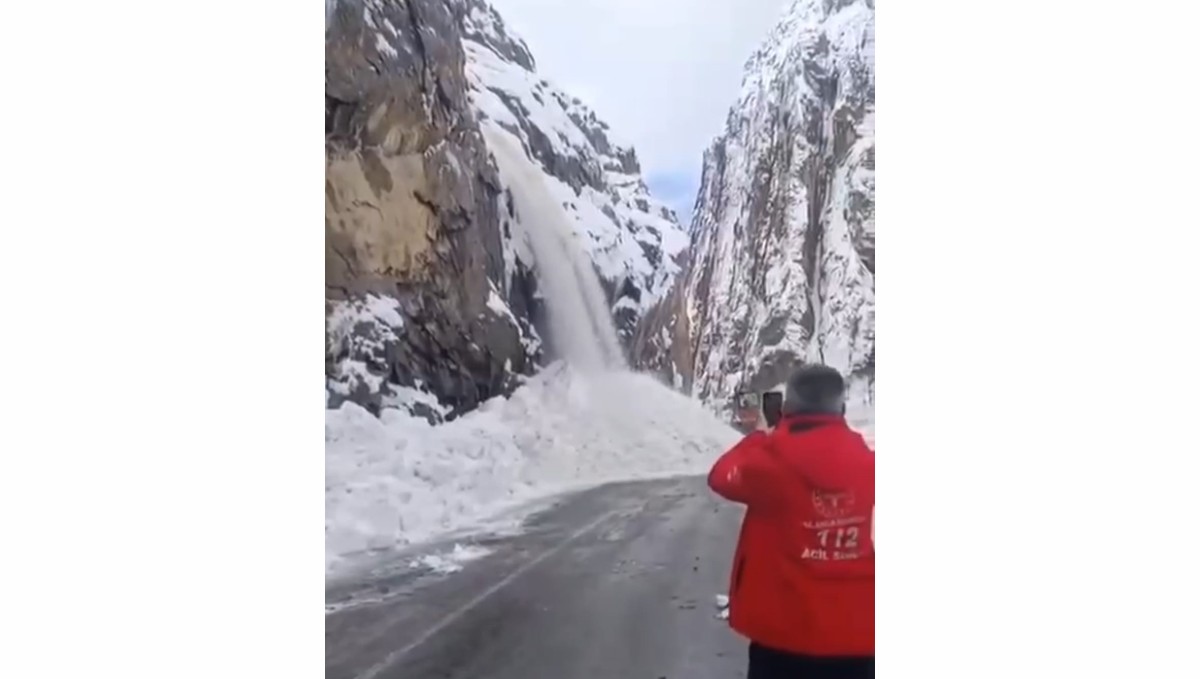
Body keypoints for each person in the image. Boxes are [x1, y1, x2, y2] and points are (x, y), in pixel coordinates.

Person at [708, 365, 874, 679]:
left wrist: (761, 436)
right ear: (841, 408)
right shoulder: (872, 467)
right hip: (857, 639)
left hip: (781, 638)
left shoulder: (768, 463)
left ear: (786, 409)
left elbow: (721, 476)